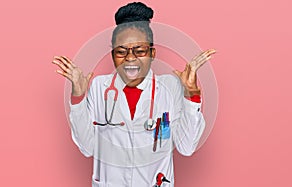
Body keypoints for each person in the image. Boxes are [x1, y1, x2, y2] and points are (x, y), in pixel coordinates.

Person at [52, 2, 215, 187]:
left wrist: (192, 95)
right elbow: (87, 148)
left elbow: (186, 148)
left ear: (152, 53)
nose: (130, 58)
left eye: (139, 51)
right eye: (121, 51)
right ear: (112, 54)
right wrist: (78, 98)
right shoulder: (99, 87)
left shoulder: (171, 88)